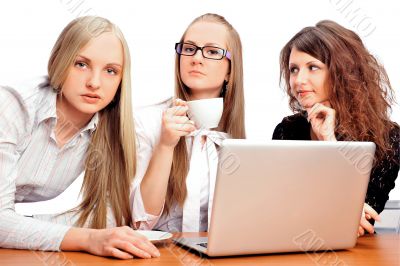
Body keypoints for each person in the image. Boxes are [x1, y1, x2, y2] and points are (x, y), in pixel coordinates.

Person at [0, 16, 159, 259]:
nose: (94, 83)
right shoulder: (13, 107)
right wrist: (86, 238)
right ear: (60, 62)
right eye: (81, 64)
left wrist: (22, 227)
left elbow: (103, 221)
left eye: (110, 71)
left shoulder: (109, 130)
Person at [272, 20, 400, 237]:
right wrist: (341, 210)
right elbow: (280, 209)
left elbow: (365, 217)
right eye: (294, 69)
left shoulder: (388, 138)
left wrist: (329, 143)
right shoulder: (288, 130)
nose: (298, 80)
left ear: (342, 72)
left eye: (313, 67)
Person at [131, 13, 245, 232]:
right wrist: (165, 146)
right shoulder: (145, 122)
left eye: (212, 51)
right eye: (189, 48)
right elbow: (140, 223)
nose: (197, 58)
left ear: (230, 70)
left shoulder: (236, 136)